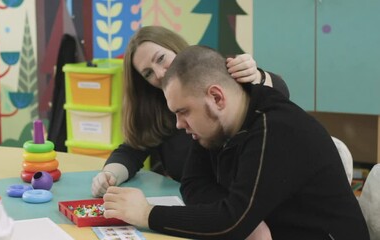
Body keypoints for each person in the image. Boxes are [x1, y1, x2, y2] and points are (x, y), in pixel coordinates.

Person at [102, 45, 369, 239]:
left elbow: (231, 222)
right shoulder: (215, 125)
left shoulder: (273, 127)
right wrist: (244, 220)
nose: (178, 124)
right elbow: (194, 183)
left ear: (217, 98)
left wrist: (147, 213)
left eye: (183, 112)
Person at [91, 26, 289, 197]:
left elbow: (278, 94)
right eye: (148, 73)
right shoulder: (157, 111)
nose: (160, 73)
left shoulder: (220, 74)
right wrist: (109, 175)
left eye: (161, 59)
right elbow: (132, 149)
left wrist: (257, 76)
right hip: (200, 205)